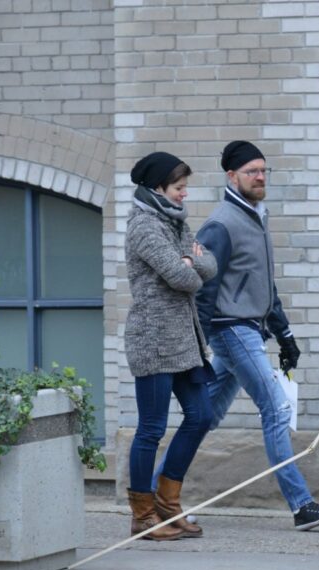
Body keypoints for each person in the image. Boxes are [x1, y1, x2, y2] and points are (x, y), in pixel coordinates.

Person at [157, 140, 319, 531]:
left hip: (247, 331)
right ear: (231, 176)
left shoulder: (257, 217)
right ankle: (301, 505)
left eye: (263, 170)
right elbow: (203, 290)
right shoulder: (221, 225)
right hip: (231, 331)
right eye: (251, 172)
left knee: (203, 417)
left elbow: (265, 286)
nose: (260, 177)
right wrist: (197, 349)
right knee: (276, 409)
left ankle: (153, 499)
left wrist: (285, 335)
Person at [124, 151, 217, 541]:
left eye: (185, 187)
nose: (185, 195)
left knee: (201, 415)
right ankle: (143, 516)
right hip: (154, 341)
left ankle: (168, 501)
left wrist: (190, 263)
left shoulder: (175, 222)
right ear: (158, 187)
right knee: (151, 428)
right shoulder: (145, 227)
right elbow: (185, 278)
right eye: (179, 188)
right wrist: (189, 264)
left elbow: (209, 265)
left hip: (184, 341)